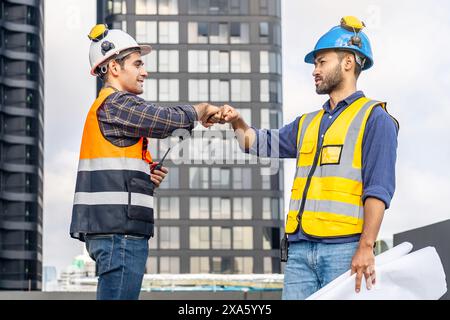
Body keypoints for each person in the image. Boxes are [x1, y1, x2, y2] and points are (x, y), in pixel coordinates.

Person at [215, 16, 399, 299]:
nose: (315, 70)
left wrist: (366, 246)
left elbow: (379, 188)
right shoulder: (307, 123)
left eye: (321, 61)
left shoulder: (375, 119)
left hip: (344, 249)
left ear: (348, 62)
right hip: (299, 251)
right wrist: (237, 122)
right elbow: (257, 143)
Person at [69, 24, 219, 300]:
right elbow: (164, 121)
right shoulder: (117, 104)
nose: (144, 71)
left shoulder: (109, 108)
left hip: (114, 230)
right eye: (137, 64)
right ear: (114, 67)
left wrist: (144, 177)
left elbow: (114, 165)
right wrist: (201, 110)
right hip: (119, 232)